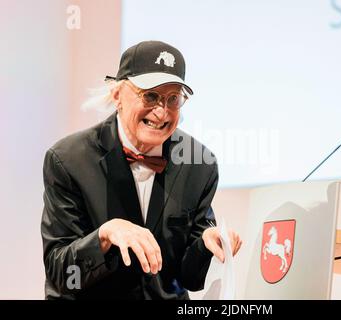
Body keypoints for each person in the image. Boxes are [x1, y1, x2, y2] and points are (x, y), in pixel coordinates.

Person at [41, 40, 242, 299]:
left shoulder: (200, 164)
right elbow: (61, 273)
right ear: (117, 95)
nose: (162, 111)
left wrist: (204, 245)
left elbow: (189, 278)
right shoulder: (68, 161)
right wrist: (104, 236)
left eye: (173, 99)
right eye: (150, 95)